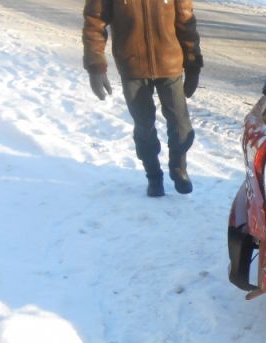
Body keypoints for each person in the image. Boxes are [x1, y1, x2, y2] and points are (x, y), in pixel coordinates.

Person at [83, 0, 203, 197]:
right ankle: (153, 176)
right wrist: (95, 66)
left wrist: (193, 64)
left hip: (169, 64)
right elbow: (94, 21)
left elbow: (186, 20)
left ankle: (178, 167)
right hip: (132, 67)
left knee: (182, 126)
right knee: (144, 125)